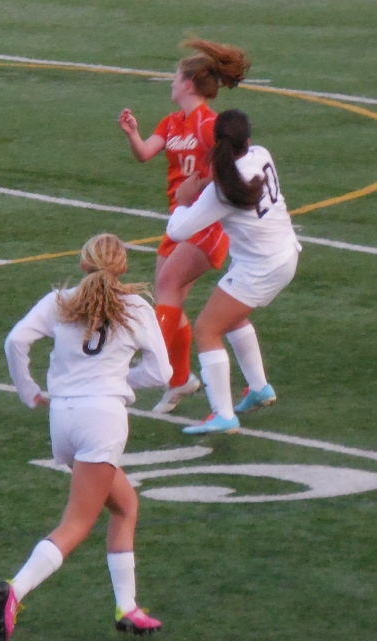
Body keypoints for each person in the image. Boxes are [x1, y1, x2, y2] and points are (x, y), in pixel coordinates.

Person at [0, 233, 172, 640]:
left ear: (82, 263)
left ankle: (127, 607)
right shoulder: (135, 307)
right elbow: (162, 373)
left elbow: (15, 341)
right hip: (102, 420)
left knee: (125, 505)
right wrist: (120, 380)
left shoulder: (60, 301)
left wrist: (28, 390)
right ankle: (17, 589)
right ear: (123, 267)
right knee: (76, 523)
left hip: (62, 419)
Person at [118, 37, 250, 414]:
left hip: (207, 225)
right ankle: (179, 380)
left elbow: (232, 169)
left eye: (175, 77)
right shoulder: (172, 122)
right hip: (180, 222)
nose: (171, 83)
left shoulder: (210, 125)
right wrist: (132, 134)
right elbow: (145, 153)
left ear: (189, 84)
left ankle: (152, 362)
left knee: (167, 286)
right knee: (169, 297)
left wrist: (201, 184)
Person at [166, 109, 301, 434]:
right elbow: (232, 180)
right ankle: (259, 387)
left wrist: (183, 200)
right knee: (231, 316)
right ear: (248, 141)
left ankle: (223, 414)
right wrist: (206, 186)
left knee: (207, 329)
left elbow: (178, 231)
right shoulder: (261, 155)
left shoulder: (222, 192)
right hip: (285, 253)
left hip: (261, 267)